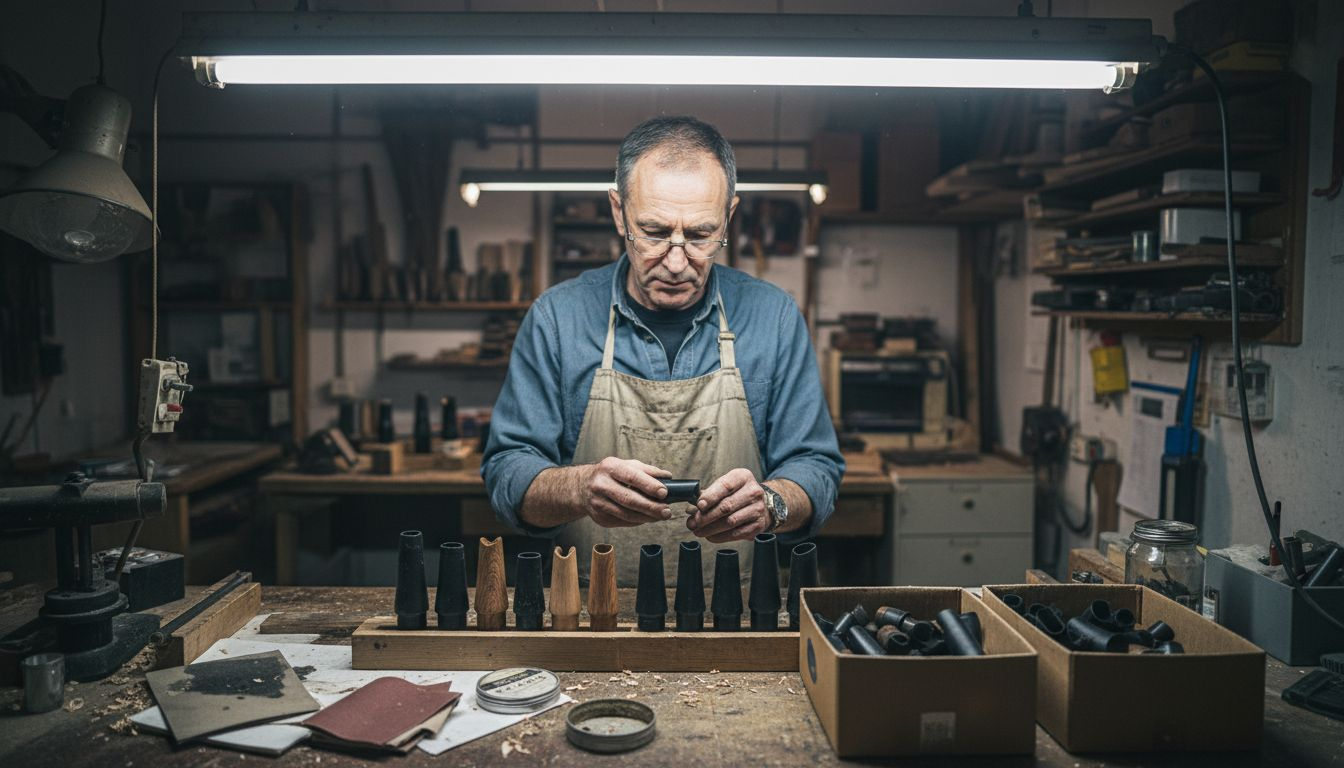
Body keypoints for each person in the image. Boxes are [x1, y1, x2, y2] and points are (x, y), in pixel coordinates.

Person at [482, 115, 843, 585]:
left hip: (733, 614)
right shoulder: (558, 318)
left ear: (729, 216)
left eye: (699, 236)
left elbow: (816, 466)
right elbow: (508, 470)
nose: (676, 262)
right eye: (653, 232)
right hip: (590, 616)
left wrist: (772, 503)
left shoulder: (772, 316)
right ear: (618, 212)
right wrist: (577, 488)